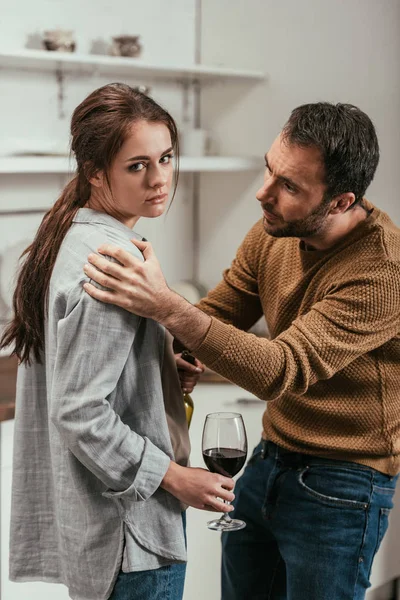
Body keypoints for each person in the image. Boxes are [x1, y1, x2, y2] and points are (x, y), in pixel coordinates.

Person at [81, 101, 400, 600]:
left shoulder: (383, 273)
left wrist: (166, 305)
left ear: (340, 202)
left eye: (290, 186)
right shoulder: (275, 231)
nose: (264, 193)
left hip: (344, 486)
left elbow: (281, 368)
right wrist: (178, 351)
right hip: (267, 461)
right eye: (270, 168)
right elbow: (221, 309)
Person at [0, 83, 235, 600]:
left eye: (166, 158)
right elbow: (79, 409)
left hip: (102, 531)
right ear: (95, 172)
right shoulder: (115, 261)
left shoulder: (67, 236)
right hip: (131, 533)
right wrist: (175, 477)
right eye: (137, 166)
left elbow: (81, 374)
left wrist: (155, 369)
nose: (159, 180)